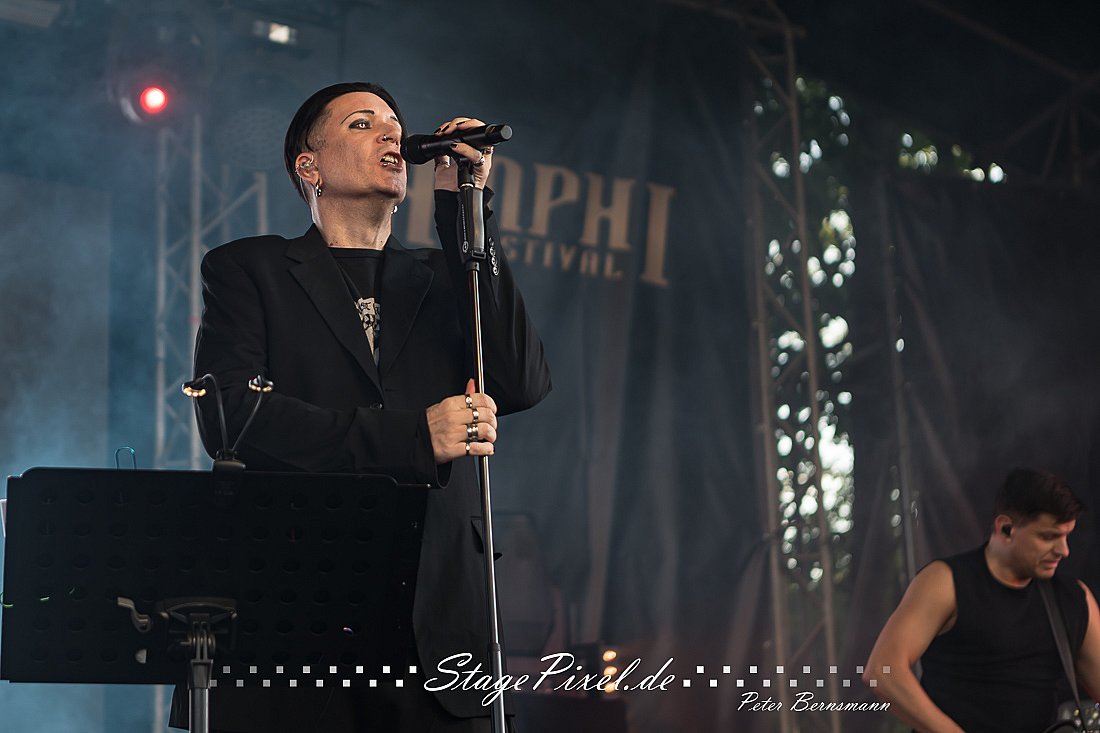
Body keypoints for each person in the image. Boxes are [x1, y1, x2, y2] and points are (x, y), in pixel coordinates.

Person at [171, 81, 551, 732]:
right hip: (293, 621)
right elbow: (231, 418)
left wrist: (465, 211)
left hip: (437, 626)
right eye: (361, 123)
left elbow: (520, 380)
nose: (390, 133)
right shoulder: (250, 269)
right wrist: (413, 438)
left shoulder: (445, 274)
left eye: (394, 123)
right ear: (309, 166)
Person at [864, 468, 1100, 732]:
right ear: (1006, 528)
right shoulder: (945, 582)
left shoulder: (1073, 598)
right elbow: (882, 672)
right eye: (1048, 537)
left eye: (1066, 536)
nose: (1063, 551)